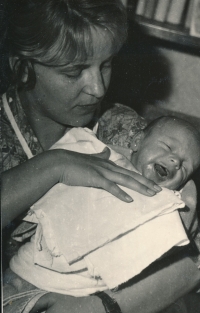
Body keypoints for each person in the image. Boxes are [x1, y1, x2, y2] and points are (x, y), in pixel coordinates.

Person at [1, 1, 200, 312]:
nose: (97, 87)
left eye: (105, 64)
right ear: (23, 66)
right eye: (74, 71)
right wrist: (55, 165)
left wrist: (102, 306)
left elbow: (192, 253)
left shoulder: (118, 127)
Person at [6, 116, 200, 301]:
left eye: (184, 167)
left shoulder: (166, 203)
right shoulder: (102, 157)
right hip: (28, 272)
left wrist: (187, 199)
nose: (175, 161)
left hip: (79, 294)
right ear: (137, 141)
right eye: (167, 147)